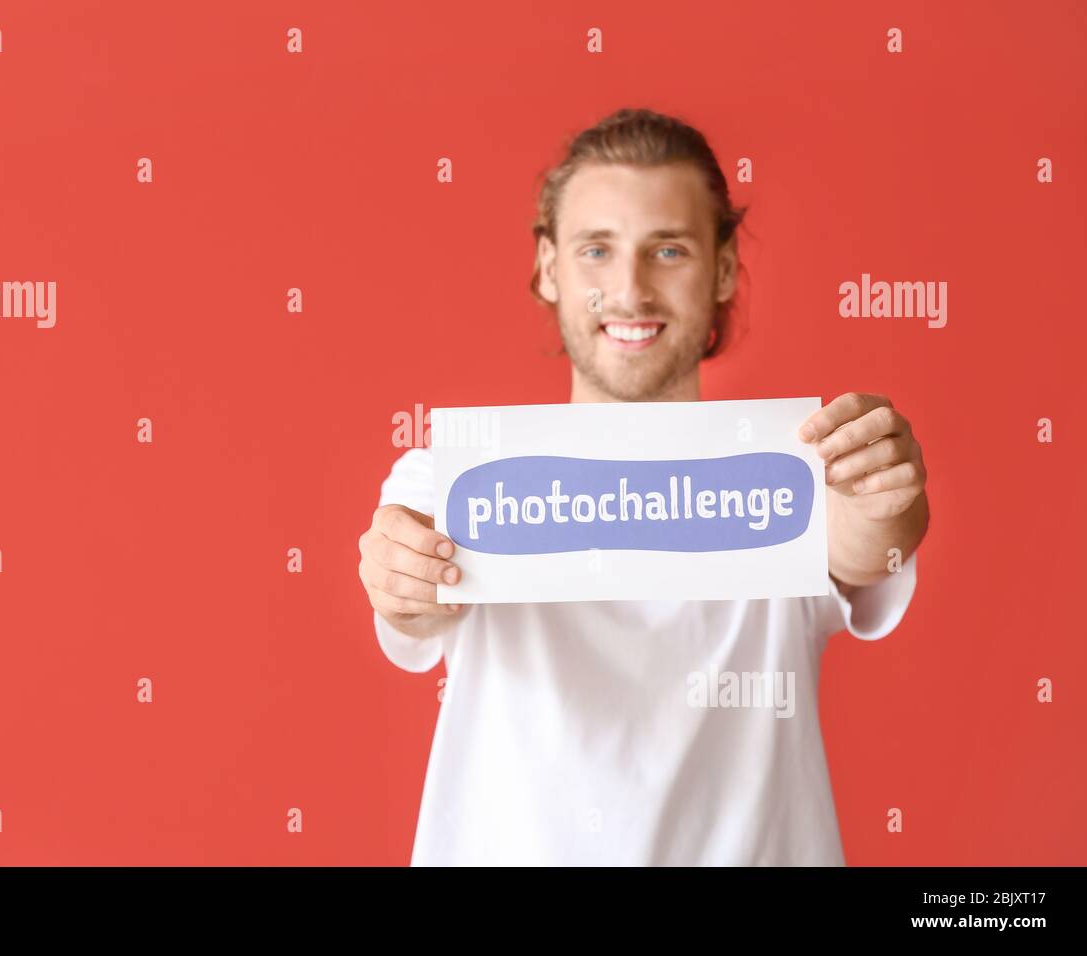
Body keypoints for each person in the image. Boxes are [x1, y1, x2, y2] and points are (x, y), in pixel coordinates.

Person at [357, 108, 930, 866]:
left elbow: (866, 543)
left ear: (723, 268)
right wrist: (400, 570)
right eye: (596, 250)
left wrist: (884, 497)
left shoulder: (796, 472)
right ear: (549, 266)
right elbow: (407, 588)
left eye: (668, 249)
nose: (628, 291)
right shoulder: (448, 479)